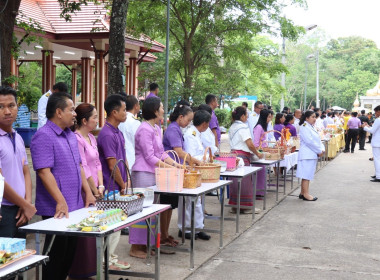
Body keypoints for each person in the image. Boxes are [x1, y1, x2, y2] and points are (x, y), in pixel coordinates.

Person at [30, 92, 96, 280]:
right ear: (59, 112)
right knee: (56, 256)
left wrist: (88, 192)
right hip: (57, 207)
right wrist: (60, 201)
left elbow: (79, 166)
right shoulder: (43, 136)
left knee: (69, 254)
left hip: (74, 205)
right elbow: (44, 172)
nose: (74, 113)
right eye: (71, 110)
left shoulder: (70, 135)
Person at [130, 97, 183, 258]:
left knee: (152, 211)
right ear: (154, 110)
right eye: (160, 107)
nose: (162, 110)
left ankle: (148, 244)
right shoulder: (144, 129)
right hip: (143, 174)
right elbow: (149, 156)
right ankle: (136, 247)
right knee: (142, 210)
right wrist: (169, 167)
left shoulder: (156, 128)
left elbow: (160, 153)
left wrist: (175, 164)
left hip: (154, 174)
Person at [69, 103, 105, 278]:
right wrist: (92, 189)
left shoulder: (92, 137)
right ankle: (79, 271)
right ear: (84, 120)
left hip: (96, 188)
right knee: (84, 230)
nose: (97, 120)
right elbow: (83, 167)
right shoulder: (77, 138)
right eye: (95, 117)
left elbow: (97, 163)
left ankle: (91, 268)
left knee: (94, 229)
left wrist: (101, 185)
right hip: (86, 190)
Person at [97, 94, 131, 268]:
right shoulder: (107, 134)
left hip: (119, 185)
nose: (126, 113)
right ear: (114, 112)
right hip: (111, 186)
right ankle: (106, 260)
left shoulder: (117, 131)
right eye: (124, 110)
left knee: (117, 223)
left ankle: (110, 257)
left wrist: (127, 181)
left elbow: (122, 160)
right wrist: (123, 184)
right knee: (112, 223)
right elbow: (112, 165)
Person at [0, 86, 36, 238]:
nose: (7, 111)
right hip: (4, 210)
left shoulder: (19, 137)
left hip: (21, 209)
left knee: (21, 257)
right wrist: (25, 204)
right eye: (1, 107)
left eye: (11, 105)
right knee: (5, 259)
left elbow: (26, 172)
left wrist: (26, 202)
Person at [162, 102, 199, 246]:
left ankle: (165, 234)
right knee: (166, 206)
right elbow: (179, 152)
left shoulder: (176, 129)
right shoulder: (172, 129)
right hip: (169, 171)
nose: (189, 123)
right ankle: (163, 235)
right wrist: (195, 161)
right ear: (181, 117)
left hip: (174, 171)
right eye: (188, 120)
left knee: (170, 206)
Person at [181, 110, 212, 240]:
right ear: (204, 124)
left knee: (198, 201)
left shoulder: (196, 133)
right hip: (192, 170)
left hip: (198, 169)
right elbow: (190, 155)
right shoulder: (191, 134)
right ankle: (186, 228)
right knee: (189, 202)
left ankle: (198, 227)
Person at [228, 106, 263, 214]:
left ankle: (235, 206)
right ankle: (246, 207)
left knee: (235, 182)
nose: (247, 117)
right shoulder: (243, 127)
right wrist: (257, 153)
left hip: (233, 156)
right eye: (246, 114)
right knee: (245, 182)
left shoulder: (232, 126)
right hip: (242, 157)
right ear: (242, 116)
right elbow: (249, 144)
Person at [297, 110, 324, 201]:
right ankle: (306, 194)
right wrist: (319, 150)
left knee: (307, 174)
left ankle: (302, 192)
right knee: (306, 175)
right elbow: (309, 141)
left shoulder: (310, 126)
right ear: (306, 118)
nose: (315, 119)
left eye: (315, 117)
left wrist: (321, 149)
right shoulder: (304, 127)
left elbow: (317, 140)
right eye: (312, 117)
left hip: (311, 153)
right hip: (307, 154)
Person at [253, 109, 273, 198]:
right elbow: (256, 143)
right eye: (268, 117)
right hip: (259, 154)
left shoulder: (263, 127)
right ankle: (257, 192)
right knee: (259, 173)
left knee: (263, 172)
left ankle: (261, 191)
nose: (269, 119)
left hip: (263, 153)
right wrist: (261, 151)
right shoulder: (259, 127)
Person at [119, 95, 141, 168]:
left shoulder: (119, 120)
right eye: (139, 104)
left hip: (121, 158)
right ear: (135, 106)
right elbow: (138, 143)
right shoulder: (135, 122)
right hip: (132, 159)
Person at [364, 106, 380, 182]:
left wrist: (365, 127)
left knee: (376, 159)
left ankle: (378, 176)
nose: (375, 114)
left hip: (377, 142)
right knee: (378, 159)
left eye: (376, 112)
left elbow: (373, 131)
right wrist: (369, 126)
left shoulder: (378, 120)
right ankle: (377, 174)